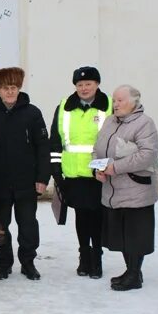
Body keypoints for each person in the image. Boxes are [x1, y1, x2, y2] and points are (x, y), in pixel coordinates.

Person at [0, 67, 50, 281]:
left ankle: (28, 263)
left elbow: (42, 147)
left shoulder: (32, 113)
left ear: (19, 88)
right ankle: (4, 263)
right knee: (0, 227)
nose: (10, 92)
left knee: (28, 225)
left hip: (26, 182)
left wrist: (42, 177)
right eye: (5, 88)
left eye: (13, 87)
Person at [93, 85, 158, 291]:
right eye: (114, 100)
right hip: (114, 189)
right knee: (122, 235)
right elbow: (98, 148)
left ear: (135, 102)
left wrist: (115, 167)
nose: (116, 104)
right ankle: (130, 270)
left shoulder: (144, 123)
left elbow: (147, 154)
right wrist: (97, 167)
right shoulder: (110, 121)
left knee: (135, 235)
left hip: (136, 189)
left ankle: (134, 274)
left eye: (120, 100)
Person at [49, 66, 111, 279]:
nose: (84, 88)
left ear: (97, 84)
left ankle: (97, 258)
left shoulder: (109, 105)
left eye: (88, 84)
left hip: (100, 174)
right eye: (80, 85)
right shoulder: (64, 107)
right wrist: (56, 172)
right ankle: (84, 257)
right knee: (81, 216)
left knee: (98, 216)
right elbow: (55, 141)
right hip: (73, 174)